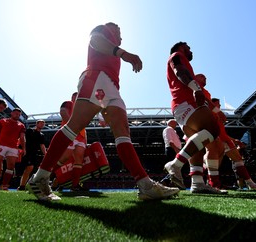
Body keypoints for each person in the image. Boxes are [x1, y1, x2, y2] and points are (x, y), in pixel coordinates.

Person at [26, 22, 179, 201]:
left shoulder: (112, 44)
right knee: (74, 126)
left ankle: (145, 186)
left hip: (110, 87)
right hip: (97, 76)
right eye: (119, 32)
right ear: (113, 29)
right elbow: (95, 40)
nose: (121, 37)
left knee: (123, 133)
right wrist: (123, 53)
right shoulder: (104, 32)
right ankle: (40, 178)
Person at [163, 41, 228, 194]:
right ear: (181, 47)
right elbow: (180, 71)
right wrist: (195, 88)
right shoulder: (176, 55)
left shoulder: (179, 59)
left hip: (180, 107)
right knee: (212, 130)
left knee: (197, 145)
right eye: (188, 47)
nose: (190, 50)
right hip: (187, 101)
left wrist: (216, 110)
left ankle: (197, 183)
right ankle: (176, 165)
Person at [210, 98, 256, 190]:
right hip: (219, 141)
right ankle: (211, 184)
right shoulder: (212, 115)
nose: (220, 106)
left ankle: (251, 184)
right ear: (213, 104)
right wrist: (234, 140)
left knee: (235, 160)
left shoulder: (216, 115)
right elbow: (220, 133)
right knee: (215, 164)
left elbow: (222, 133)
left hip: (223, 140)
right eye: (218, 104)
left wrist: (234, 140)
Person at [51, 92, 89, 192]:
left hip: (81, 136)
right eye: (76, 96)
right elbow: (63, 112)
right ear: (72, 97)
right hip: (70, 132)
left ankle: (75, 185)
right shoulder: (68, 103)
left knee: (79, 160)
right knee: (64, 158)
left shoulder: (82, 109)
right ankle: (43, 177)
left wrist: (85, 139)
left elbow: (84, 125)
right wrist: (73, 125)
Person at [17, 120, 47, 191]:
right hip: (24, 152)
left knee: (29, 168)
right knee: (21, 169)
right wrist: (19, 148)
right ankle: (18, 186)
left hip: (33, 154)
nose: (42, 125)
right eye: (41, 123)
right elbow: (21, 139)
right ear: (37, 124)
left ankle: (22, 186)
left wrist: (45, 154)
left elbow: (42, 145)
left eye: (43, 124)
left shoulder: (42, 135)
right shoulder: (29, 131)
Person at [160, 119, 183, 187]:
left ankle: (168, 182)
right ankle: (166, 181)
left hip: (174, 149)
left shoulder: (172, 130)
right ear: (171, 123)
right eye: (175, 123)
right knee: (174, 167)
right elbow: (169, 140)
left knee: (175, 167)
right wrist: (176, 149)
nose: (176, 124)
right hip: (172, 149)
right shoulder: (168, 129)